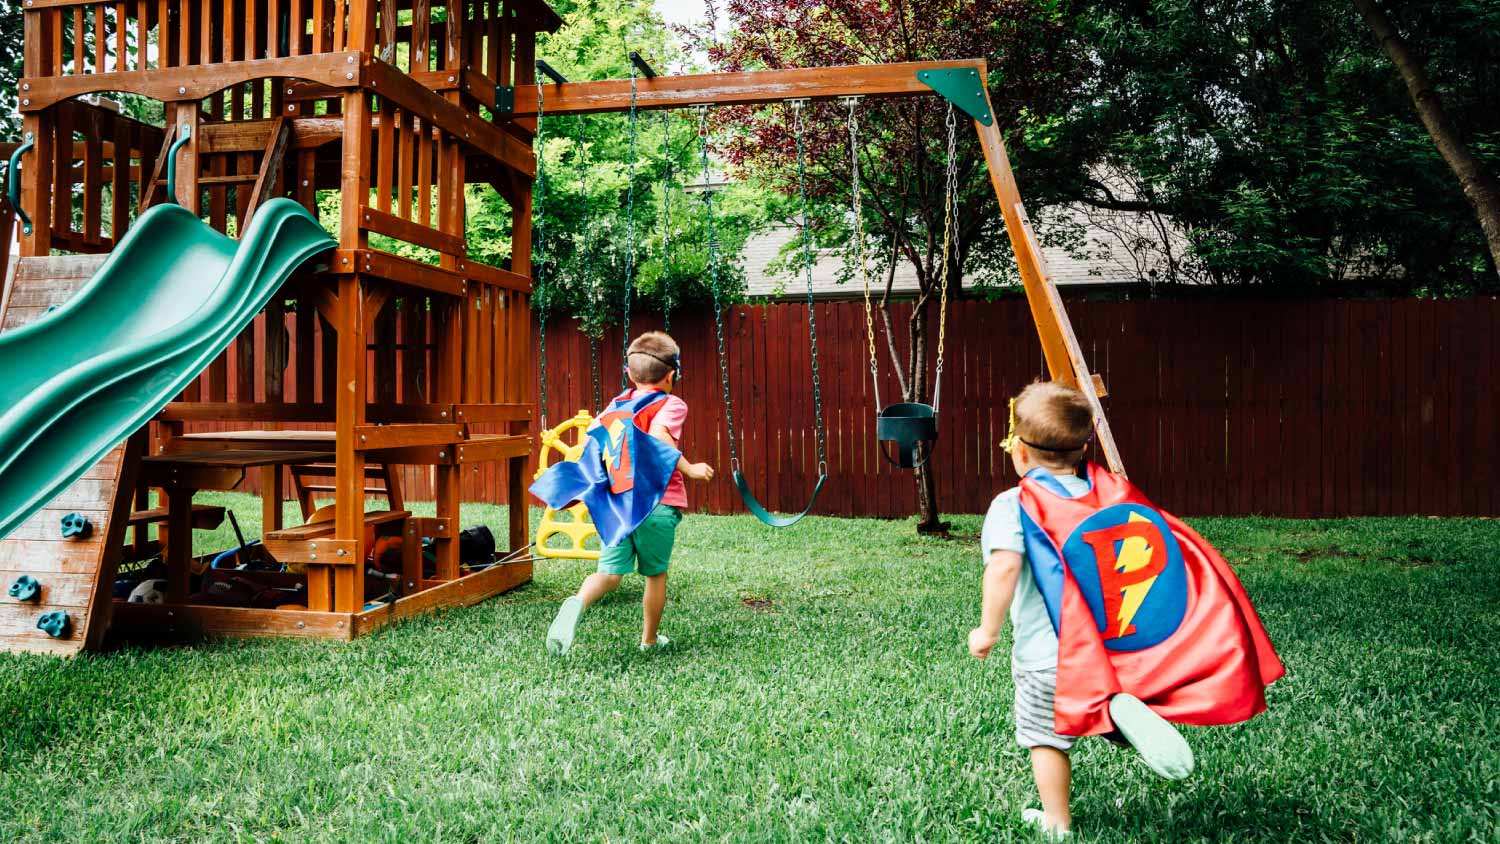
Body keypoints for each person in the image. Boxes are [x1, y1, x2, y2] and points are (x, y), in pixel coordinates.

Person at [969, 381, 1195, 840]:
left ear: (1020, 454)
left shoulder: (1013, 505)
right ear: (1083, 448)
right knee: (1094, 696)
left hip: (1047, 659)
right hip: (1109, 651)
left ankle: (1057, 820)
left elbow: (1005, 566)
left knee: (1045, 738)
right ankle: (1114, 716)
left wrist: (986, 629)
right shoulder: (1106, 497)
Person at [546, 331, 714, 655]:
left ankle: (578, 603)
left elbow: (596, 440)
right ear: (671, 375)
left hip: (619, 505)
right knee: (655, 575)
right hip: (655, 505)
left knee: (608, 575)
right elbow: (659, 433)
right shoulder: (670, 403)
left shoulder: (616, 405)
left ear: (629, 374)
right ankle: (649, 641)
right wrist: (690, 468)